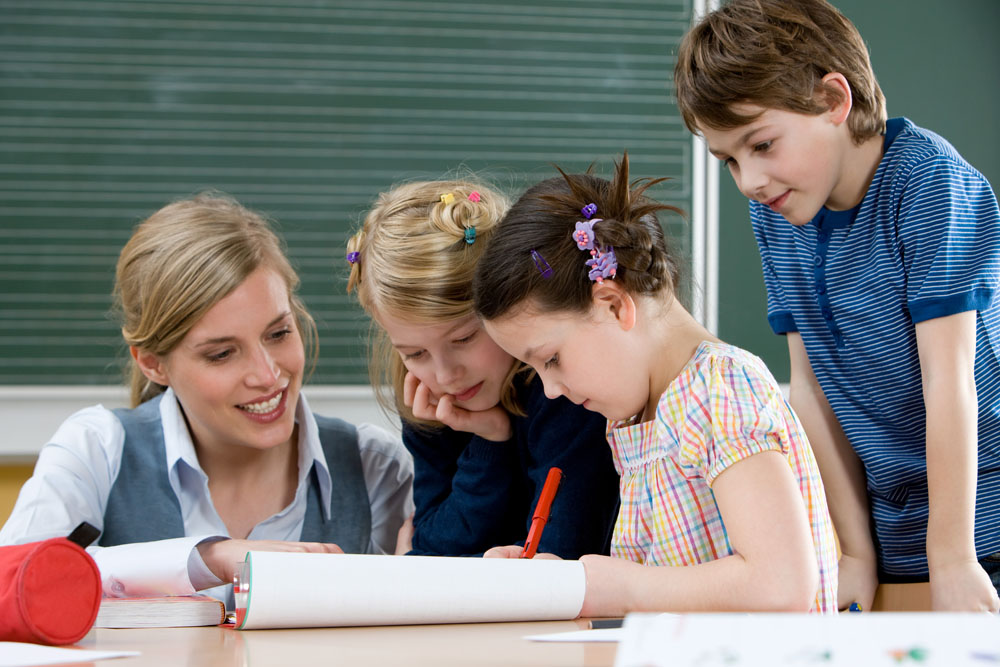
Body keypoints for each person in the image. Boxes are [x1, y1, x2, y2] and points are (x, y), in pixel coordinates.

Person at [672, 0, 1000, 613]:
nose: (749, 181)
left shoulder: (929, 181)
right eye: (729, 161)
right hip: (892, 526)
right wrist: (853, 552)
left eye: (762, 144)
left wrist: (952, 558)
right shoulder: (778, 210)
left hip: (978, 523)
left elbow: (948, 382)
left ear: (832, 100)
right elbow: (810, 391)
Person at [0, 193, 414, 602]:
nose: (268, 375)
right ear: (152, 364)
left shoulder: (373, 466)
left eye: (279, 333)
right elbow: (12, 578)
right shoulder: (97, 449)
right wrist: (206, 560)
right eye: (221, 354)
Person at [472, 155, 838, 614]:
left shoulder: (718, 389)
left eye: (551, 360)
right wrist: (564, 582)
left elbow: (780, 586)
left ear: (612, 305)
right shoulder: (635, 420)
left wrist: (616, 589)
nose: (549, 390)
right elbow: (666, 583)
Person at [346, 179, 620, 558]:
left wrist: (447, 568)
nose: (444, 376)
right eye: (414, 353)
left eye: (463, 340)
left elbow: (557, 557)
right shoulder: (429, 400)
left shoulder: (564, 392)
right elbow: (433, 546)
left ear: (506, 302)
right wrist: (489, 441)